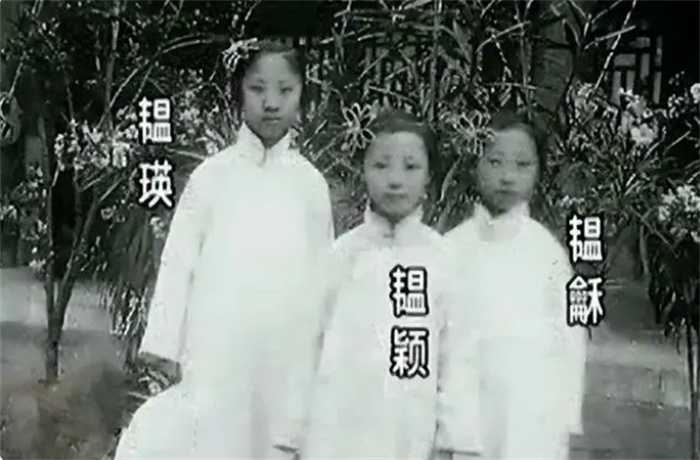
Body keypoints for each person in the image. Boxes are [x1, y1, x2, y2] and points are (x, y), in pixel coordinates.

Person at [114, 40, 334, 458]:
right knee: (214, 435)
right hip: (217, 343)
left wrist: (324, 356)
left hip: (286, 348)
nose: (271, 103)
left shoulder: (311, 186)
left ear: (301, 95)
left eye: (285, 90)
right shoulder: (212, 178)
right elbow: (179, 260)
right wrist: (164, 343)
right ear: (239, 93)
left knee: (274, 437)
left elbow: (324, 276)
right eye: (258, 89)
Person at [291, 110, 481, 460]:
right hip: (338, 437)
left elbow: (458, 361)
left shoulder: (444, 261)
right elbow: (304, 354)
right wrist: (294, 438)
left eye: (410, 167)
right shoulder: (340, 256)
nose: (395, 180)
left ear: (429, 175)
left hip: (410, 437)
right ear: (363, 170)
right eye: (381, 165)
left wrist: (453, 442)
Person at [445, 110, 587, 459]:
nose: (507, 176)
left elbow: (572, 337)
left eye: (522, 165)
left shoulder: (547, 253)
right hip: (467, 410)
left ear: (539, 171)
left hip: (530, 413)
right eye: (495, 162)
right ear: (475, 164)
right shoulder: (450, 248)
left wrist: (564, 416)